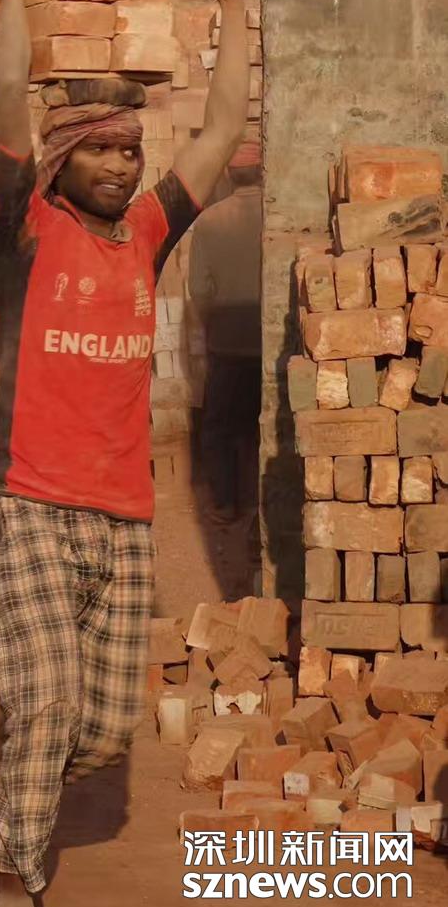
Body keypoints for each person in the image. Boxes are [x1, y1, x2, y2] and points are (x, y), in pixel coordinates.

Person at [0, 0, 248, 907]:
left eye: (133, 152)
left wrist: (233, 5)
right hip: (29, 501)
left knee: (99, 733)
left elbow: (222, 133)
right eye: (103, 152)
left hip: (123, 515)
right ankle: (16, 867)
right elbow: (9, 92)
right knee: (47, 700)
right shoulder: (25, 229)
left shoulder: (145, 232)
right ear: (61, 160)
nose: (124, 167)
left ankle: (10, 790)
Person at [189, 140, 262, 589]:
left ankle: (224, 505)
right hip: (269, 344)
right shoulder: (275, 219)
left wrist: (211, 324)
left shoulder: (211, 221)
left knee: (218, 429)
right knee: (261, 428)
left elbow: (199, 289)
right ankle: (260, 504)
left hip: (227, 345)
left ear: (229, 175)